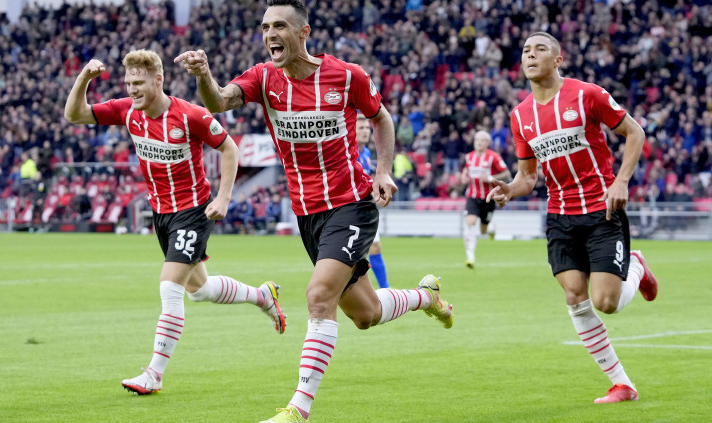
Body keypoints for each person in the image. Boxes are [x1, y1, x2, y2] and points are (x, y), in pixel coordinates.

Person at [175, 1, 454, 421]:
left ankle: (298, 409)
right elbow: (219, 101)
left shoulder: (346, 75)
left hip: (352, 204)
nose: (270, 34)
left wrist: (382, 170)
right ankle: (425, 296)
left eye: (280, 26)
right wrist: (203, 75)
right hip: (308, 215)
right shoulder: (263, 78)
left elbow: (381, 119)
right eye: (265, 27)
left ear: (303, 32)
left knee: (318, 296)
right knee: (365, 314)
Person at [63, 49, 287, 396]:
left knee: (170, 288)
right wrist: (85, 78)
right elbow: (75, 114)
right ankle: (262, 296)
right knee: (200, 291)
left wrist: (224, 198)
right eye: (128, 83)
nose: (132, 89)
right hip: (162, 214)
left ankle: (154, 373)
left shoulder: (189, 115)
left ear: (158, 80)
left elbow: (230, 149)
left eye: (139, 83)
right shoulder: (127, 110)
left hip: (193, 211)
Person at [487, 32, 659, 404]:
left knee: (607, 302)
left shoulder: (587, 95)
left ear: (558, 59)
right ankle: (622, 384)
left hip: (601, 210)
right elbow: (528, 177)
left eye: (540, 49)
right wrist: (509, 189)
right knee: (574, 296)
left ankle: (636, 267)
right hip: (560, 216)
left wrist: (621, 181)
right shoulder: (520, 116)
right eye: (526, 50)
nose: (531, 55)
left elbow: (634, 132)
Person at [460, 130, 511, 268]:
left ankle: (491, 229)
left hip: (488, 198)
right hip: (472, 196)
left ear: (488, 143)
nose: (479, 142)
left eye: (482, 140)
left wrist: (490, 178)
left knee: (483, 230)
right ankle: (470, 257)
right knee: (470, 222)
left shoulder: (493, 157)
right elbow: (466, 171)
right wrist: (464, 176)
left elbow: (506, 173)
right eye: (477, 139)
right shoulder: (469, 157)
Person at [356, 114, 390, 288]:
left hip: (365, 206)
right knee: (355, 255)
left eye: (367, 128)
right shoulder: (350, 153)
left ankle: (386, 288)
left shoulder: (367, 153)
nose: (365, 131)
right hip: (351, 207)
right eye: (360, 128)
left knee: (375, 247)